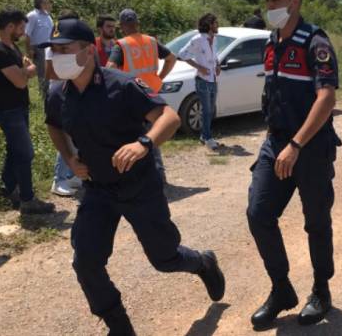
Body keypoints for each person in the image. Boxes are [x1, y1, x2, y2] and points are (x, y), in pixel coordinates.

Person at [42, 19, 225, 334]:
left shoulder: (122, 85)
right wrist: (70, 159)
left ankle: (202, 262)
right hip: (97, 190)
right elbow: (53, 125)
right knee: (85, 262)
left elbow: (168, 117)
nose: (57, 56)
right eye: (53, 50)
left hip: (138, 186)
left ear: (88, 50)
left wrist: (144, 144)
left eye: (64, 49)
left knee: (164, 258)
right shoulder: (59, 94)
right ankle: (120, 327)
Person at [247, 0, 342, 328]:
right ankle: (281, 288)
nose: (269, 5)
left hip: (311, 145)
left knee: (316, 221)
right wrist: (280, 143)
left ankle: (321, 289)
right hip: (276, 143)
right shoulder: (271, 42)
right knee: (258, 213)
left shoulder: (314, 41)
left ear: (295, 0)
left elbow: (327, 96)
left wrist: (297, 143)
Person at [0, 8, 54, 214]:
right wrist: (28, 71)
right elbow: (20, 81)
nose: (24, 32)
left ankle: (7, 187)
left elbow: (22, 68)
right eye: (21, 27)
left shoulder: (10, 46)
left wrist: (25, 68)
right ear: (10, 26)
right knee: (25, 153)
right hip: (8, 110)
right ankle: (27, 199)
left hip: (17, 107)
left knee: (15, 150)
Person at [107, 8, 176, 183]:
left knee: (134, 136)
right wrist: (159, 78)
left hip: (131, 96)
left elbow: (109, 69)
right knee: (152, 135)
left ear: (122, 26)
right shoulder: (151, 41)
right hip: (151, 94)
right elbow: (171, 58)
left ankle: (138, 176)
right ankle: (158, 175)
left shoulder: (121, 45)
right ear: (137, 24)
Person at [46, 10, 83, 197]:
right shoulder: (54, 46)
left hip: (71, 94)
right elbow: (49, 73)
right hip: (59, 96)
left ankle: (71, 175)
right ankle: (58, 180)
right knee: (64, 136)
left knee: (74, 137)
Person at [178, 13, 222, 150]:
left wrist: (218, 64)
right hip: (202, 80)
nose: (217, 25)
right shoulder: (198, 39)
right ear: (209, 25)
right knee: (207, 110)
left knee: (210, 110)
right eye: (215, 23)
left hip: (213, 79)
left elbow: (214, 56)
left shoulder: (214, 39)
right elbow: (182, 54)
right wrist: (199, 67)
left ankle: (204, 135)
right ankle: (208, 138)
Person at [24, 0, 54, 98]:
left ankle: (50, 93)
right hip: (39, 48)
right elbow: (27, 34)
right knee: (43, 72)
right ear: (41, 3)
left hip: (50, 48)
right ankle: (44, 95)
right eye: (47, 2)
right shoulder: (32, 16)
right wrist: (29, 50)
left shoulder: (47, 15)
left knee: (50, 71)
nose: (49, 3)